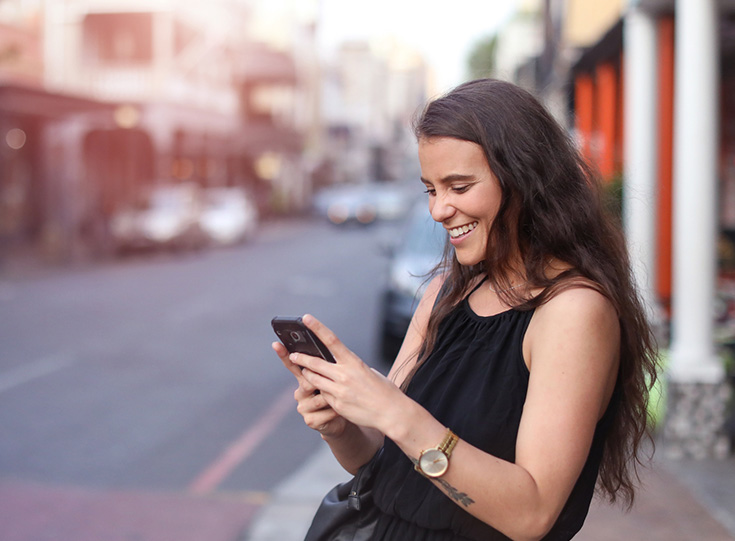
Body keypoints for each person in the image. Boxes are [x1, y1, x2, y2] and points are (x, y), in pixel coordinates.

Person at [272, 78, 658, 541]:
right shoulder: (444, 294)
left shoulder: (572, 311)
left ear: (524, 178)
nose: (439, 210)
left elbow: (532, 513)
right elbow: (385, 465)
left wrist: (395, 411)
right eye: (430, 189)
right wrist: (341, 427)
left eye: (458, 185)